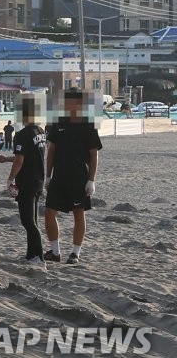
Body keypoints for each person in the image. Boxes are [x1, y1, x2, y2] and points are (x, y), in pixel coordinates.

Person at [43, 89, 102, 265]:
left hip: (79, 177)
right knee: (49, 213)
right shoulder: (58, 122)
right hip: (59, 176)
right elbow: (51, 151)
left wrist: (91, 180)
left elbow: (94, 154)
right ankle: (55, 252)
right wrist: (48, 176)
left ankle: (75, 253)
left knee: (78, 213)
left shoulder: (89, 123)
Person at [0, 95, 47, 267]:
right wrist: (6, 159)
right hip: (39, 180)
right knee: (33, 220)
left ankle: (38, 257)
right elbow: (26, 156)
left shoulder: (22, 134)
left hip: (27, 182)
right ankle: (31, 254)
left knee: (28, 221)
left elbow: (20, 161)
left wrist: (10, 179)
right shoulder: (40, 132)